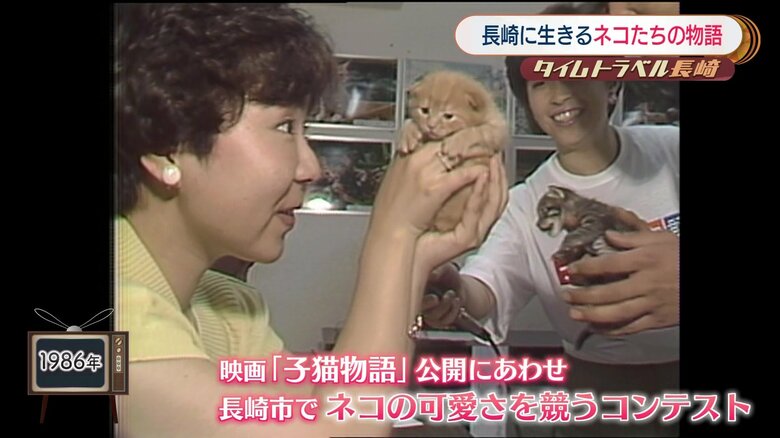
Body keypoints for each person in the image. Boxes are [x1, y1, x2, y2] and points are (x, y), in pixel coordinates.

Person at [115, 4, 507, 437]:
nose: (311, 167)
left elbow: (336, 405)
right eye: (285, 128)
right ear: (168, 149)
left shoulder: (230, 307)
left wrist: (415, 258)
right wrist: (392, 236)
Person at [422, 3, 680, 436]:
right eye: (540, 82)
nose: (559, 94)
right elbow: (487, 288)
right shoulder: (525, 204)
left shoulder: (671, 150)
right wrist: (452, 290)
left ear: (611, 82)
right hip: (600, 393)